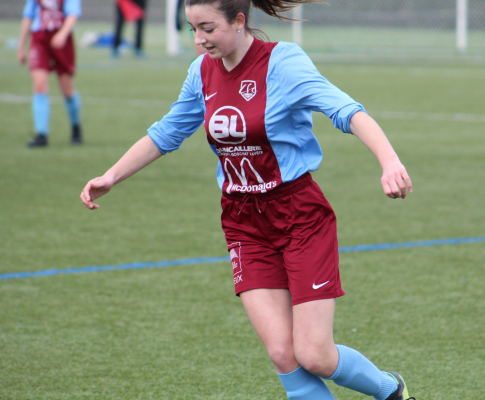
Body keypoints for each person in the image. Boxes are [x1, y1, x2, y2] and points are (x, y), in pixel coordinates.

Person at [80, 0, 415, 399]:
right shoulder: (201, 72)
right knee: (283, 354)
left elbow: (346, 110)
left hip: (299, 216)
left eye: (207, 29)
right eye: (192, 29)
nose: (199, 40)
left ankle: (389, 389)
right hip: (243, 222)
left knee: (315, 355)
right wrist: (112, 176)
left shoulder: (283, 63)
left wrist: (389, 161)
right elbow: (168, 131)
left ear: (239, 21)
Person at [17, 0, 83, 147]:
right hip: (39, 39)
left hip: (63, 40)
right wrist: (21, 46)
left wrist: (63, 34)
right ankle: (41, 134)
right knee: (39, 85)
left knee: (67, 90)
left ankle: (76, 128)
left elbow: (73, 13)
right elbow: (28, 15)